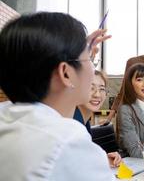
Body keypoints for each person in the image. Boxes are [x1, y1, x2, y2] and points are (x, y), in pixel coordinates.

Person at [0, 12, 115, 180]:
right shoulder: (67, 141)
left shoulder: (6, 116)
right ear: (66, 74)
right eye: (90, 60)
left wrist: (79, 54)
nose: (93, 70)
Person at [73, 70, 121, 167]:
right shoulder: (73, 122)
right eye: (91, 88)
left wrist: (103, 160)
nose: (97, 94)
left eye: (102, 89)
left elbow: (81, 158)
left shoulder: (84, 121)